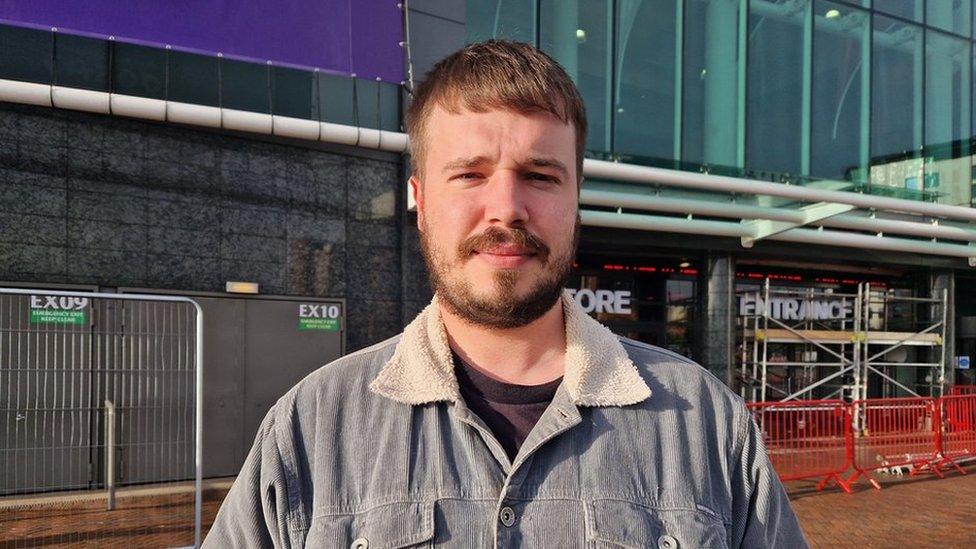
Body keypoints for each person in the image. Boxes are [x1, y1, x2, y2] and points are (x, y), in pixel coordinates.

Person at [204, 40, 807, 548]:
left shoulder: (708, 425)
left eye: (540, 176)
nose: (506, 209)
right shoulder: (311, 428)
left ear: (575, 200)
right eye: (469, 174)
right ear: (420, 199)